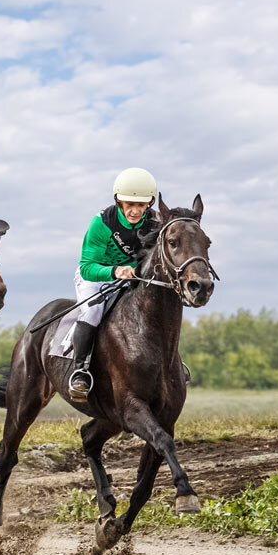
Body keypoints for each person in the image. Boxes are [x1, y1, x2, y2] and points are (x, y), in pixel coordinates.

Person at [68, 167, 158, 402]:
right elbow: (88, 266)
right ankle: (80, 370)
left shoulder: (154, 222)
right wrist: (116, 271)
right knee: (94, 310)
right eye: (130, 204)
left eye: (142, 205)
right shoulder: (102, 223)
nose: (136, 211)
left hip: (130, 278)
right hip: (95, 277)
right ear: (118, 200)